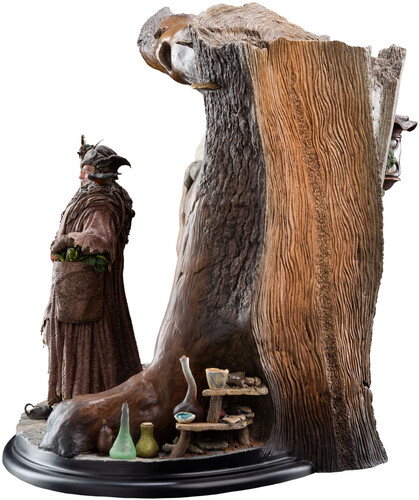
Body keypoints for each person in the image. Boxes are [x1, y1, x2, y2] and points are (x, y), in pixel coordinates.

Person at [41, 137, 142, 407]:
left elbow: (100, 240)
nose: (80, 176)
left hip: (91, 290)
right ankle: (68, 402)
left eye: (85, 171)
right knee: (73, 340)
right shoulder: (89, 198)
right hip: (74, 284)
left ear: (99, 173)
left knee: (92, 343)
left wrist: (66, 241)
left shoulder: (100, 203)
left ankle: (88, 404)